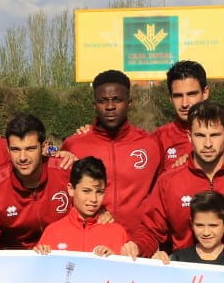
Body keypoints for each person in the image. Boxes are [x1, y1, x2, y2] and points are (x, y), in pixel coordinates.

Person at [137, 101, 224, 255]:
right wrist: (137, 248)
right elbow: (151, 231)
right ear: (189, 136)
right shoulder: (168, 181)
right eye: (200, 135)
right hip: (188, 276)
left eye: (215, 135)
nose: (208, 144)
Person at [62, 70, 160, 242]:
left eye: (117, 99)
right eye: (103, 101)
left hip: (139, 247)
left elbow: (160, 197)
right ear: (94, 105)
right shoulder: (74, 145)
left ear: (129, 103)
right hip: (92, 246)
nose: (110, 107)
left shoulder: (150, 145)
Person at [0, 113, 73, 253]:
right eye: (16, 150)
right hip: (16, 262)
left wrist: (102, 213)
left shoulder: (67, 172)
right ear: (7, 150)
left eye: (30, 149)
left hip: (62, 255)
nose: (22, 158)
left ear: (43, 147)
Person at [35, 157, 132, 256]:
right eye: (86, 191)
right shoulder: (52, 232)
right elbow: (40, 269)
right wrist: (41, 255)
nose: (93, 199)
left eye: (100, 192)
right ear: (71, 189)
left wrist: (115, 259)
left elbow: (127, 269)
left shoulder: (118, 233)